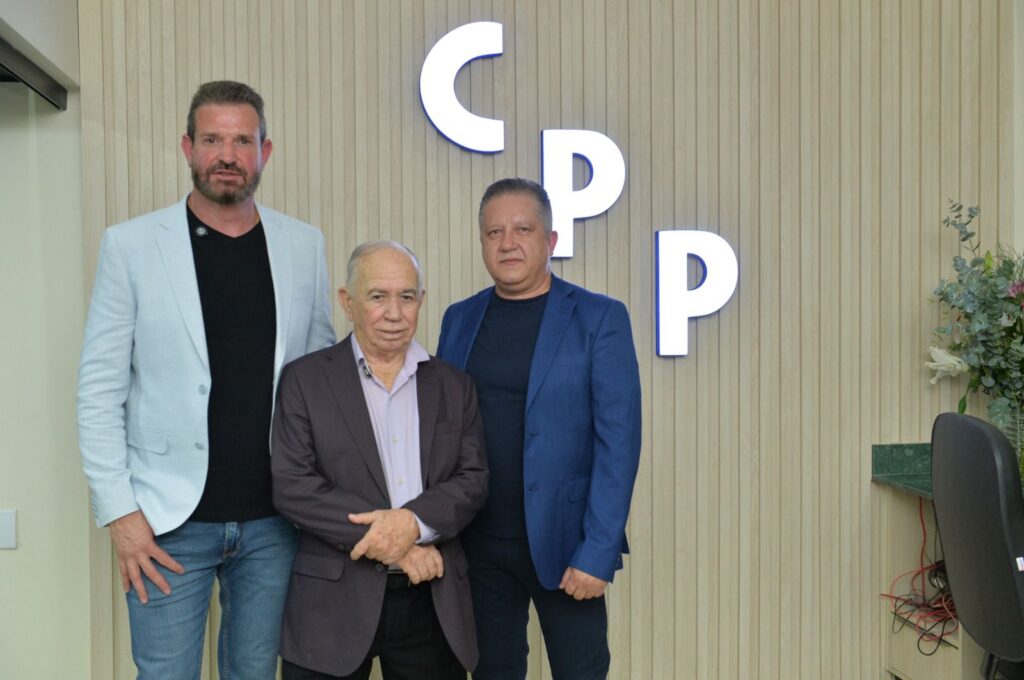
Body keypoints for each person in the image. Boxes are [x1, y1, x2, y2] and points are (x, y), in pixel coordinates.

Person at [77, 80, 336, 679]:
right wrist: (121, 515)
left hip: (275, 523)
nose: (227, 155)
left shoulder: (303, 246)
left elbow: (319, 380)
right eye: (213, 140)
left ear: (264, 152)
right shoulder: (131, 246)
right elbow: (98, 392)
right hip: (164, 524)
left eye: (242, 141)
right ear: (187, 147)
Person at [436, 178, 642, 680]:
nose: (507, 243)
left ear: (550, 240)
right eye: (494, 232)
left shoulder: (600, 318)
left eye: (523, 230)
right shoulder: (459, 319)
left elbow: (619, 444)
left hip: (567, 545)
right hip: (479, 545)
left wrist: (598, 552)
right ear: (482, 241)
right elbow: (441, 430)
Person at [271, 241, 488, 680]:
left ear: (421, 301)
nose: (394, 313)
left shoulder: (454, 385)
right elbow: (293, 486)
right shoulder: (304, 380)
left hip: (431, 601)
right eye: (377, 297)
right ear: (347, 302)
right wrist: (400, 544)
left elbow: (472, 480)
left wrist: (411, 524)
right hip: (333, 602)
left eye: (406, 297)